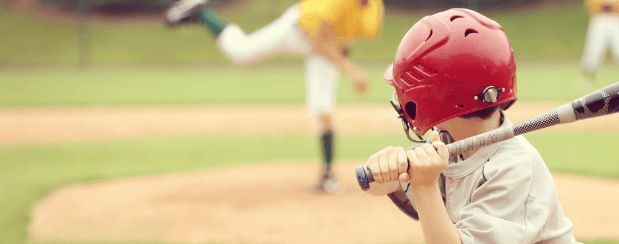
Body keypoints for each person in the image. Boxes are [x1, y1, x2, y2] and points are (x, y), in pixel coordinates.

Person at [362, 8, 580, 243]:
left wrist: (425, 184)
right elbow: (378, 185)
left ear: (436, 99)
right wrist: (383, 170)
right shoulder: (448, 140)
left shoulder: (514, 168)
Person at [164, 0, 384, 193]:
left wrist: (343, 62)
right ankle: (201, 11)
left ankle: (327, 175)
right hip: (299, 31)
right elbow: (319, 41)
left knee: (323, 106)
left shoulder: (374, 8)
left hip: (327, 47)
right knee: (241, 52)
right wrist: (350, 70)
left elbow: (345, 38)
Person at [580, 0, 619, 87]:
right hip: (600, 17)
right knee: (594, 50)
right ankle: (587, 79)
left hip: (617, 18)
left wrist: (618, 6)